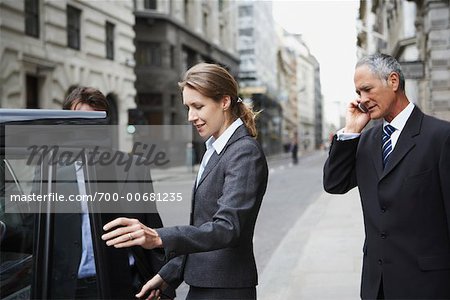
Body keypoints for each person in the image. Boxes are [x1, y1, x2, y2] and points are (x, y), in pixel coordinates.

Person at [101, 63, 269, 300]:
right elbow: (203, 228)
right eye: (188, 107)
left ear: (224, 101)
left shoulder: (244, 152)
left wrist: (159, 237)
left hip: (225, 290)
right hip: (204, 285)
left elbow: (227, 228)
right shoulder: (214, 148)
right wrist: (167, 275)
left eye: (198, 106)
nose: (191, 117)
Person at [323, 53, 450, 299]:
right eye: (358, 93)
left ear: (393, 81)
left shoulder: (441, 137)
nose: (362, 100)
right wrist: (350, 131)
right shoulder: (365, 141)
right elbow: (334, 184)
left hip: (427, 286)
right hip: (376, 286)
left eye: (367, 89)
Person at [53, 87, 174, 299]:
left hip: (126, 285)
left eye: (95, 124)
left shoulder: (134, 169)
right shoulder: (51, 173)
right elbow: (31, 234)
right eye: (79, 122)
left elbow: (153, 229)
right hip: (70, 289)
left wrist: (161, 284)